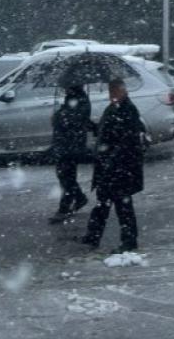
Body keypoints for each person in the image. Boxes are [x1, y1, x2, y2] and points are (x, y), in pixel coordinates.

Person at [79, 79, 146, 253]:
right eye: (110, 92)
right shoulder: (113, 108)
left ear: (123, 91)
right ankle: (93, 235)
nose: (112, 95)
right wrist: (92, 126)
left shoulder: (128, 110)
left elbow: (128, 141)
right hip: (109, 166)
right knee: (103, 202)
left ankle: (129, 241)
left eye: (115, 91)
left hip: (121, 168)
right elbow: (106, 132)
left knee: (123, 206)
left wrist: (113, 158)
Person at [49, 85, 93, 224]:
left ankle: (65, 208)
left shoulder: (81, 100)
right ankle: (78, 199)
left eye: (66, 87)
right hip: (64, 143)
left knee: (66, 175)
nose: (64, 89)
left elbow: (74, 120)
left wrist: (58, 117)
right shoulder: (71, 99)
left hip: (71, 145)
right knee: (65, 175)